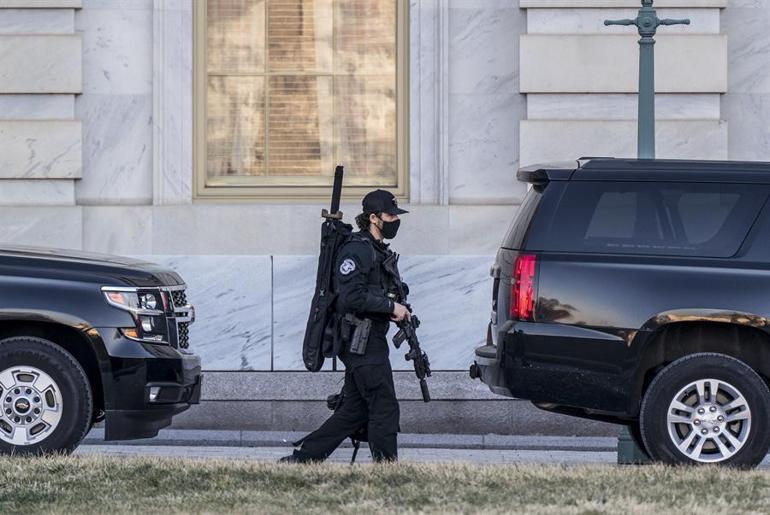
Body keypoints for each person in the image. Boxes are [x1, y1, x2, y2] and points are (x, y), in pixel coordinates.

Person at [280, 189, 410, 463]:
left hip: (370, 338)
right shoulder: (356, 249)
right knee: (383, 404)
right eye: (389, 215)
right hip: (358, 341)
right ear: (373, 218)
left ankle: (303, 458)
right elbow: (351, 298)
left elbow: (371, 292)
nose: (394, 220)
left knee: (354, 409)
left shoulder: (376, 250)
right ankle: (387, 467)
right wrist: (391, 307)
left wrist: (395, 307)